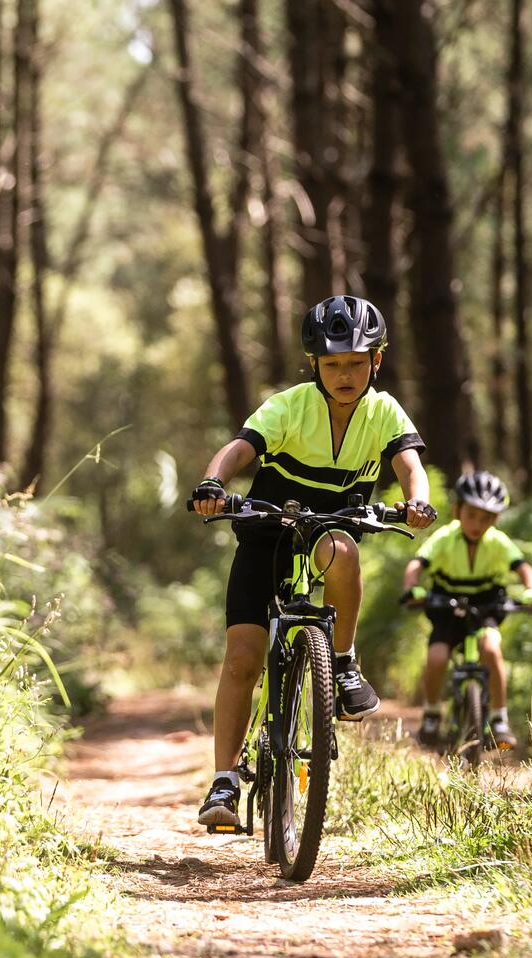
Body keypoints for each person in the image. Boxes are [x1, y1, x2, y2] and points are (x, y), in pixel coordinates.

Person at [188, 295, 437, 829]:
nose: (345, 374)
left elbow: (410, 466)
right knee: (241, 659)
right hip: (266, 532)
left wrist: (417, 500)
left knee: (344, 552)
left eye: (356, 362)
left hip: (331, 530)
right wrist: (214, 483)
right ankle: (224, 780)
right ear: (314, 365)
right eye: (332, 364)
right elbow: (239, 449)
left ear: (377, 361)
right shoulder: (290, 405)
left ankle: (342, 661)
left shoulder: (383, 410)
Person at [401, 470, 532, 750]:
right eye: (472, 515)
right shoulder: (444, 537)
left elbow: (523, 568)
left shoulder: (498, 542)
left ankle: (500, 719)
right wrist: (412, 587)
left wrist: (531, 590)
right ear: (457, 511)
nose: (478, 524)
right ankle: (431, 714)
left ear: (496, 519)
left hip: (485, 606)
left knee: (491, 649)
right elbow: (417, 564)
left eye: (486, 518)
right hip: (446, 607)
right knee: (438, 657)